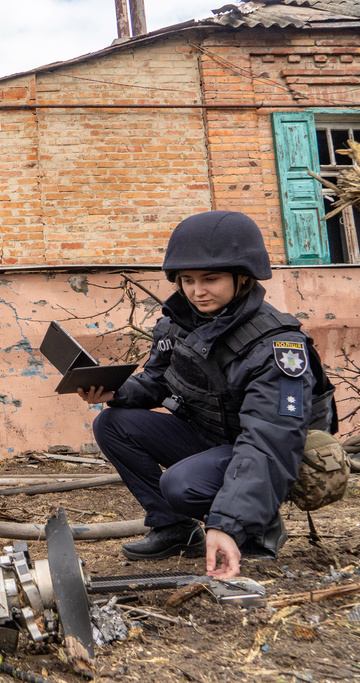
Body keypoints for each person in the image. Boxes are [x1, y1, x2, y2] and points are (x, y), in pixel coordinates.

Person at [77, 211, 335, 580]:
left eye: (210, 279)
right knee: (112, 423)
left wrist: (226, 522)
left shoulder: (277, 346)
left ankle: (256, 525)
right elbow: (156, 380)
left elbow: (269, 441)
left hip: (269, 456)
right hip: (210, 439)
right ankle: (175, 530)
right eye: (187, 280)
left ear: (242, 277)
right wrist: (114, 391)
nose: (197, 291)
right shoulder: (179, 322)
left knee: (180, 484)